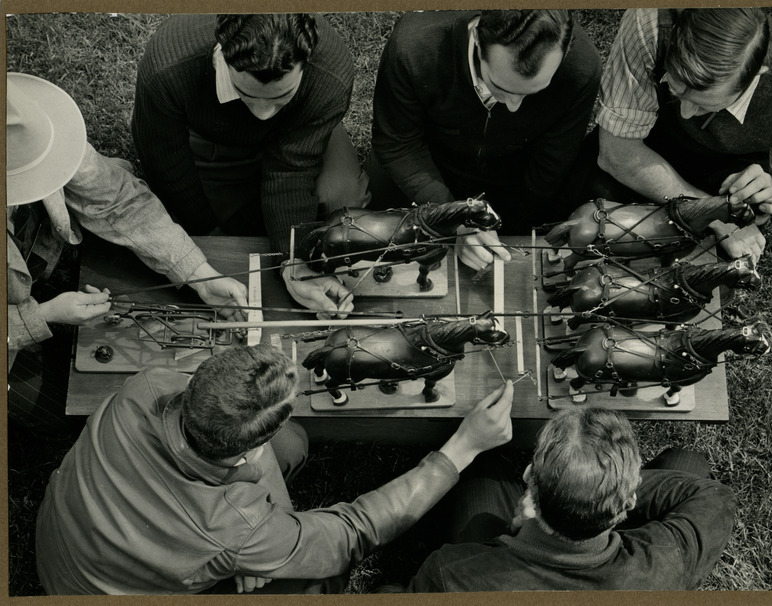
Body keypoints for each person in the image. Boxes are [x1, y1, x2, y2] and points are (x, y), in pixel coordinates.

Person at [35, 343, 514, 594]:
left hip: (65, 537)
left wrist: (253, 547)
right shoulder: (235, 530)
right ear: (244, 452)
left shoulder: (148, 383)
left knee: (291, 443)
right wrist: (462, 449)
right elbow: (352, 534)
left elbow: (257, 455)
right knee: (315, 581)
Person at [6, 72, 248, 432]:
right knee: (62, 412)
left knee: (118, 176)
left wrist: (199, 275)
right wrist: (42, 314)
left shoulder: (32, 126)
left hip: (35, 268)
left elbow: (119, 201)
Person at [133, 13, 371, 317]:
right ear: (222, 55)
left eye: (281, 96)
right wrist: (211, 237)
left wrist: (293, 260)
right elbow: (166, 165)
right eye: (245, 93)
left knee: (344, 202)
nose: (263, 115)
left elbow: (293, 164)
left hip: (300, 134)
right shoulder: (168, 66)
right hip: (213, 139)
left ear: (306, 63)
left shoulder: (330, 73)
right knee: (220, 238)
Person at [405, 406, 735, 591]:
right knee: (688, 464)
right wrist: (601, 489)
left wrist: (575, 487)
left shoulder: (452, 574)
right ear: (630, 499)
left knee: (484, 468)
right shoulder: (666, 564)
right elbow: (712, 497)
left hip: (503, 574)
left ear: (529, 481)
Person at [369, 9, 601, 271]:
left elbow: (551, 165)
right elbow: (398, 144)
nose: (513, 107)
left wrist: (508, 229)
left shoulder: (582, 68)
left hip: (512, 180)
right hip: (427, 170)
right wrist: (453, 218)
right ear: (476, 36)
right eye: (500, 87)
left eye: (536, 91)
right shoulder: (414, 45)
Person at [586, 8, 772, 264]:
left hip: (728, 171)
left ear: (755, 77)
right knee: (589, 202)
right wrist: (711, 214)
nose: (685, 113)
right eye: (676, 89)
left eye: (704, 105)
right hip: (652, 144)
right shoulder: (649, 23)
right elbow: (616, 153)